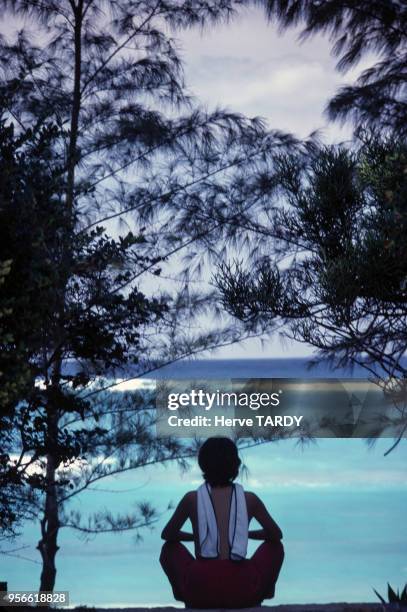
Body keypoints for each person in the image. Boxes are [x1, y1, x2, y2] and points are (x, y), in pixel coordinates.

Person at [160, 437, 284, 608]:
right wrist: (241, 533)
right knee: (275, 547)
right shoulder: (250, 499)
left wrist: (199, 535)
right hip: (242, 587)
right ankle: (262, 593)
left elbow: (168, 535)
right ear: (235, 464)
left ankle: (185, 594)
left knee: (169, 548)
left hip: (201, 587)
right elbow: (276, 535)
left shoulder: (191, 499)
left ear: (203, 464)